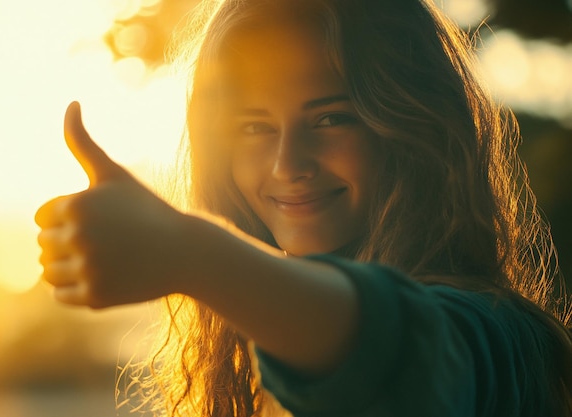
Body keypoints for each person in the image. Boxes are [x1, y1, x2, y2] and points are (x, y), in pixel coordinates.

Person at [35, 0, 572, 415]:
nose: (287, 164)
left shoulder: (503, 339)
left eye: (331, 118)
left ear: (414, 127)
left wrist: (190, 253)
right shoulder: (257, 351)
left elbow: (396, 353)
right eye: (255, 127)